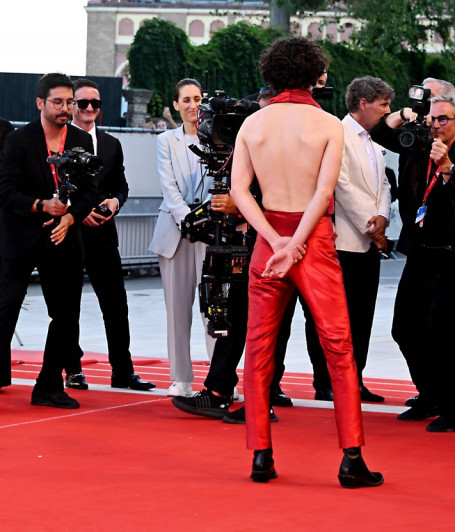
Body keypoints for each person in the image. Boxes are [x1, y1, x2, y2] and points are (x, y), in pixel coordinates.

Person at [229, 36, 382, 487]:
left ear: (270, 74)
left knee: (258, 348)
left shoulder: (252, 125)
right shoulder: (328, 125)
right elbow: (323, 193)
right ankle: (351, 458)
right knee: (338, 347)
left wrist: (276, 239)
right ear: (314, 74)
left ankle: (261, 456)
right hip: (311, 239)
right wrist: (296, 242)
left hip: (268, 240)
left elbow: (240, 192)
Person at [371, 95, 455, 432]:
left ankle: (453, 408)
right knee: (405, 328)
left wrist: (447, 166)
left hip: (452, 254)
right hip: (420, 251)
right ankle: (429, 394)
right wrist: (403, 114)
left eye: (442, 119)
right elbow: (379, 133)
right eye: (431, 119)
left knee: (445, 334)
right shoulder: (418, 144)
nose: (435, 125)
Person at [0, 73, 96, 406]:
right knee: (5, 306)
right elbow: (6, 191)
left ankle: (49, 386)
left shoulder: (81, 141)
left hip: (63, 236)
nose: (66, 108)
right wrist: (42, 205)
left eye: (69, 101)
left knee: (67, 313)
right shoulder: (19, 140)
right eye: (58, 102)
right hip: (20, 235)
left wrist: (69, 217)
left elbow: (90, 192)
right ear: (41, 103)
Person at [65, 78, 155, 391]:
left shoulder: (112, 144)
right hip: (71, 234)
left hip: (105, 235)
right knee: (68, 305)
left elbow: (121, 184)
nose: (90, 108)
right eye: (83, 103)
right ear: (72, 105)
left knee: (116, 304)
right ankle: (73, 369)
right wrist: (80, 211)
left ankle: (123, 370)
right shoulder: (60, 143)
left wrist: (115, 203)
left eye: (96, 103)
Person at [148, 78, 219, 397]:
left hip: (211, 232)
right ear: (175, 105)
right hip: (175, 233)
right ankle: (180, 378)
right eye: (186, 100)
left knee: (215, 309)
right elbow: (169, 186)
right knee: (177, 310)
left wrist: (205, 216)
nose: (193, 105)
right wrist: (188, 217)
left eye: (197, 98)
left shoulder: (218, 140)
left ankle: (220, 379)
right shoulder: (166, 140)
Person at [327, 75, 394, 402]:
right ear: (363, 103)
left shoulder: (376, 139)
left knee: (363, 316)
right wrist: (373, 225)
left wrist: (382, 219)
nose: (388, 110)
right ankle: (331, 380)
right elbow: (341, 186)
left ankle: (356, 378)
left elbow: (384, 185)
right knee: (340, 318)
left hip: (369, 242)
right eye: (383, 104)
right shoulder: (337, 133)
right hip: (345, 243)